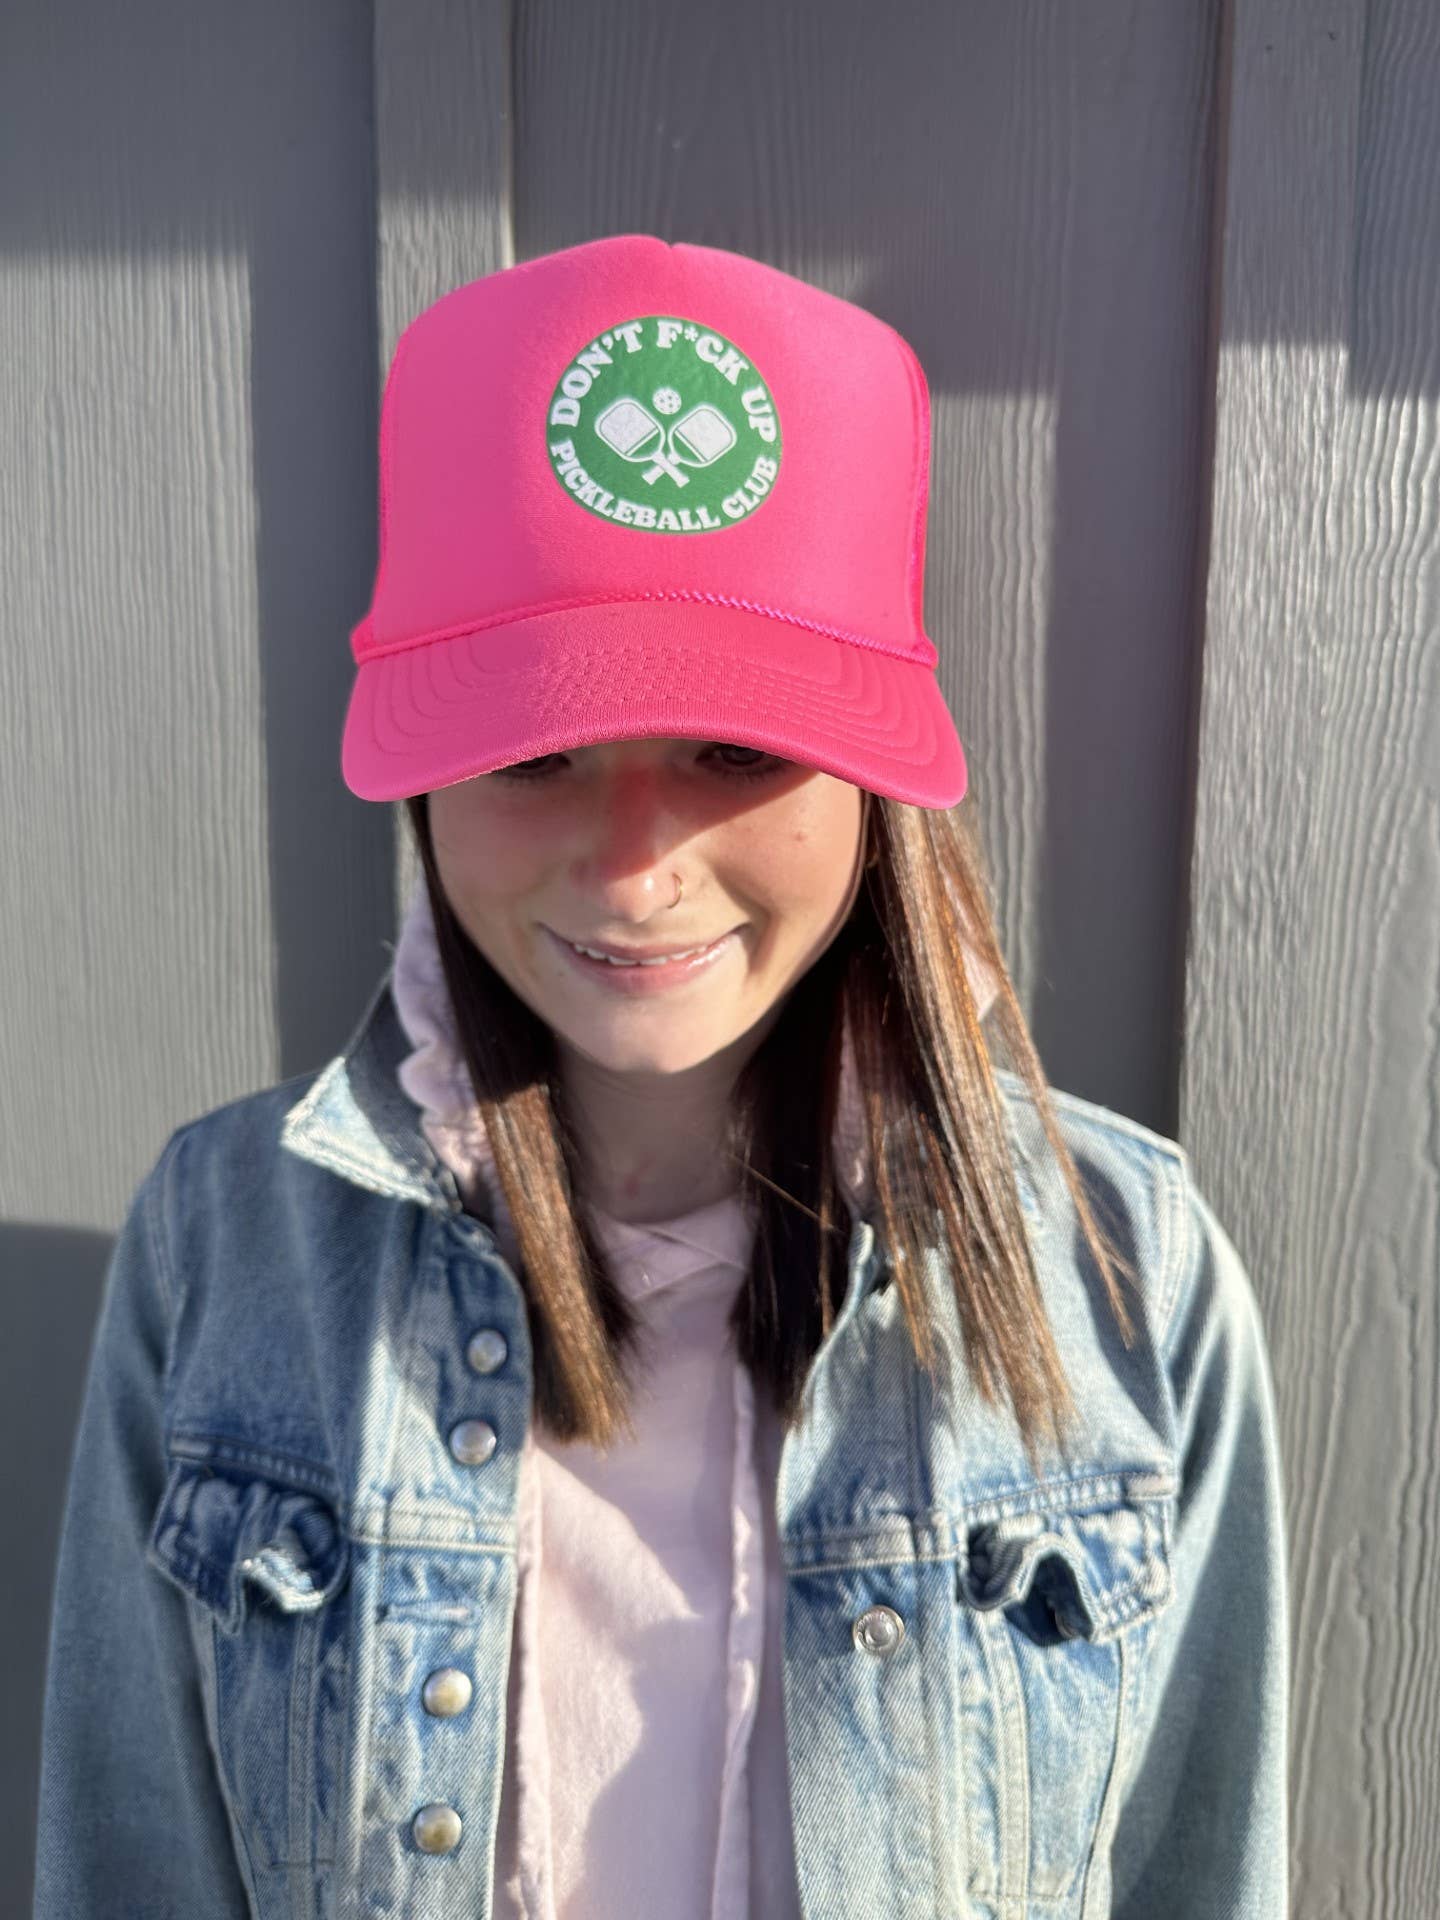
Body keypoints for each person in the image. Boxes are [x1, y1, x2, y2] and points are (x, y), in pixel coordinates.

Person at [33, 234, 1289, 1919]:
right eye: (536, 750)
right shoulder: (225, 1251)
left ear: (870, 783)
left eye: (735, 747)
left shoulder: (1125, 1270)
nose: (635, 869)